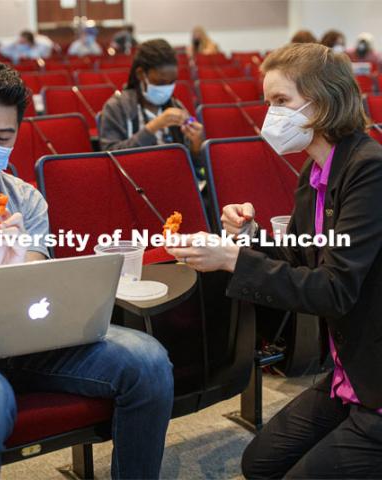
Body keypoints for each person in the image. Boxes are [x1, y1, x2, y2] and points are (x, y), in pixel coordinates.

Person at [0, 58, 173, 480]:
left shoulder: (23, 198)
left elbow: (37, 289)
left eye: (3, 137)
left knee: (148, 361)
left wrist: (15, 266)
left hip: (16, 336)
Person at [166, 42, 382, 478]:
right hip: (350, 374)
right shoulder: (316, 173)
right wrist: (247, 239)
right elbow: (301, 256)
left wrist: (233, 260)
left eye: (281, 101)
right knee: (260, 463)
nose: (271, 116)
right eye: (269, 103)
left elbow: (333, 289)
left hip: (375, 380)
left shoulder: (369, 170)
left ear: (323, 103)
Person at [99, 39, 204, 170]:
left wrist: (196, 145)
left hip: (174, 178)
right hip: (135, 181)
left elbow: (196, 166)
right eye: (160, 82)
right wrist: (152, 128)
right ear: (141, 74)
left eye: (171, 82)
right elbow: (110, 157)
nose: (167, 88)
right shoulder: (116, 107)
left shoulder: (175, 105)